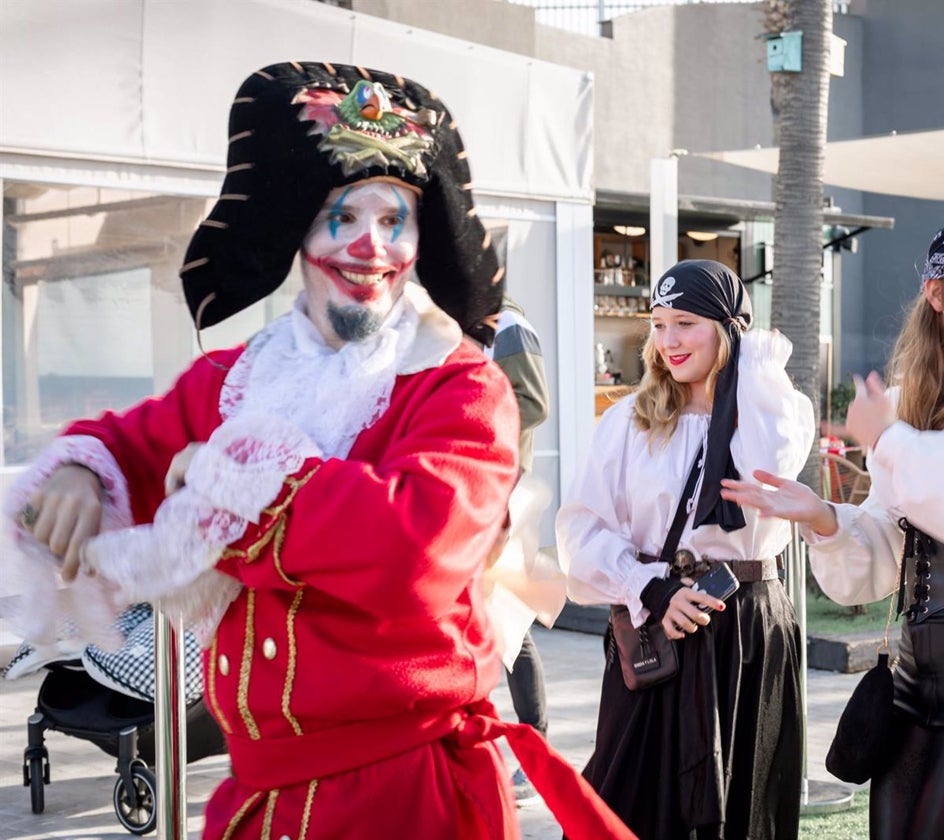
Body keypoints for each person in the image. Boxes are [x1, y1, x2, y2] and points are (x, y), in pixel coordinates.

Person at [3, 62, 631, 840]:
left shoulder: (460, 387)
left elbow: (413, 553)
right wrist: (78, 470)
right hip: (259, 798)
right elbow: (130, 441)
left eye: (394, 219)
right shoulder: (233, 379)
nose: (369, 245)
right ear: (302, 230)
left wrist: (224, 484)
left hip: (409, 798)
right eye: (342, 215)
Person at [722, 210, 944, 840]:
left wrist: (891, 438)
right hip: (913, 683)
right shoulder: (919, 404)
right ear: (937, 295)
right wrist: (824, 516)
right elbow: (888, 555)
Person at [557, 259, 815, 839]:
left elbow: (768, 472)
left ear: (728, 330)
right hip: (658, 627)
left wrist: (754, 366)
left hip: (746, 629)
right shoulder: (629, 419)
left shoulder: (776, 411)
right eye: (658, 324)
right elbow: (582, 530)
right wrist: (652, 588)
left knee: (745, 808)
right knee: (631, 805)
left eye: (686, 323)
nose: (669, 341)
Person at [485, 294, 553, 803]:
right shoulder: (454, 322)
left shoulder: (508, 322)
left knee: (510, 631)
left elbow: (533, 402)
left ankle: (535, 759)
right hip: (469, 496)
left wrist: (467, 430)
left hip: (500, 497)